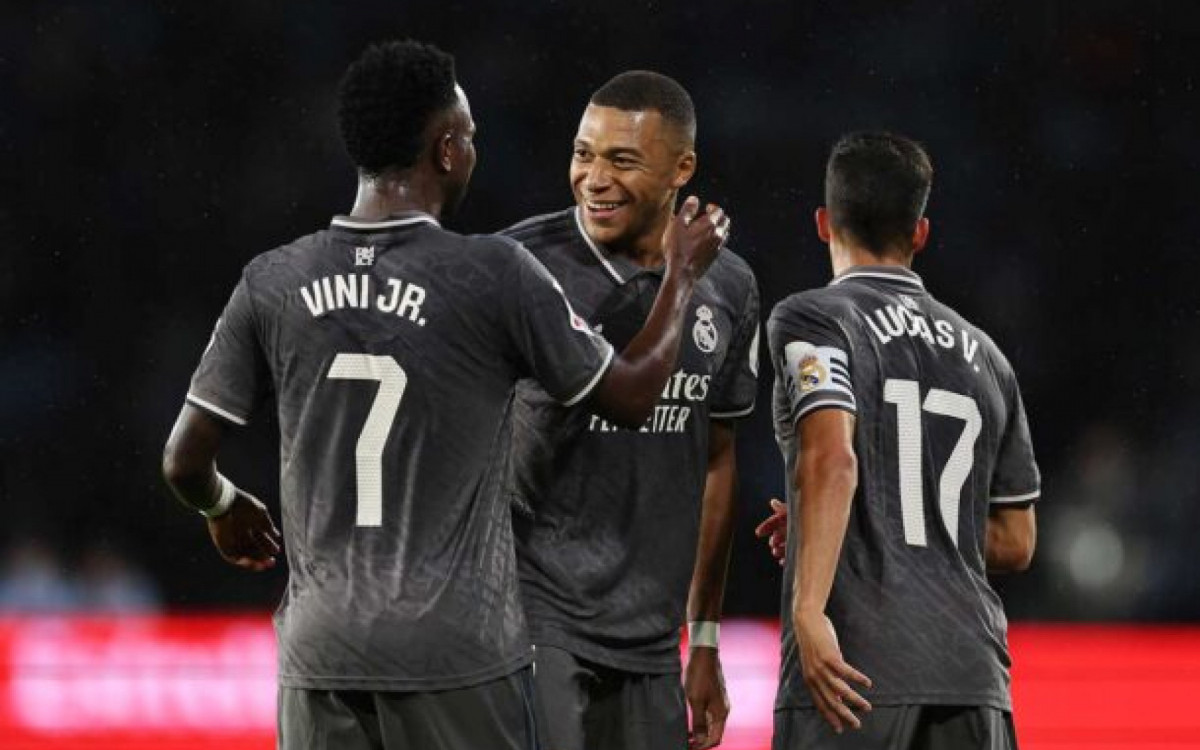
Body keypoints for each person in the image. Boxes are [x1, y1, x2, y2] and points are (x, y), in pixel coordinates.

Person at [161, 41, 730, 750]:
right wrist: (679, 278)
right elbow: (630, 396)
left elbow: (183, 462)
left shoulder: (273, 280)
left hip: (319, 653)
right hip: (455, 651)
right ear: (449, 151)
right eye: (470, 135)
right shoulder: (491, 274)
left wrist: (222, 505)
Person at [501, 71, 760, 750]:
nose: (593, 179)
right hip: (534, 618)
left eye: (621, 160)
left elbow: (718, 457)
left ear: (683, 168)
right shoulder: (519, 264)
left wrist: (702, 636)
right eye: (584, 153)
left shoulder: (730, 285)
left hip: (651, 637)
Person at [760, 131, 1038, 749]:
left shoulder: (815, 318)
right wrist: (850, 522)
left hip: (856, 671)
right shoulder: (987, 357)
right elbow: (1016, 541)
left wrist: (808, 609)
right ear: (920, 234)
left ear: (824, 223)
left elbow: (831, 456)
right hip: (974, 677)